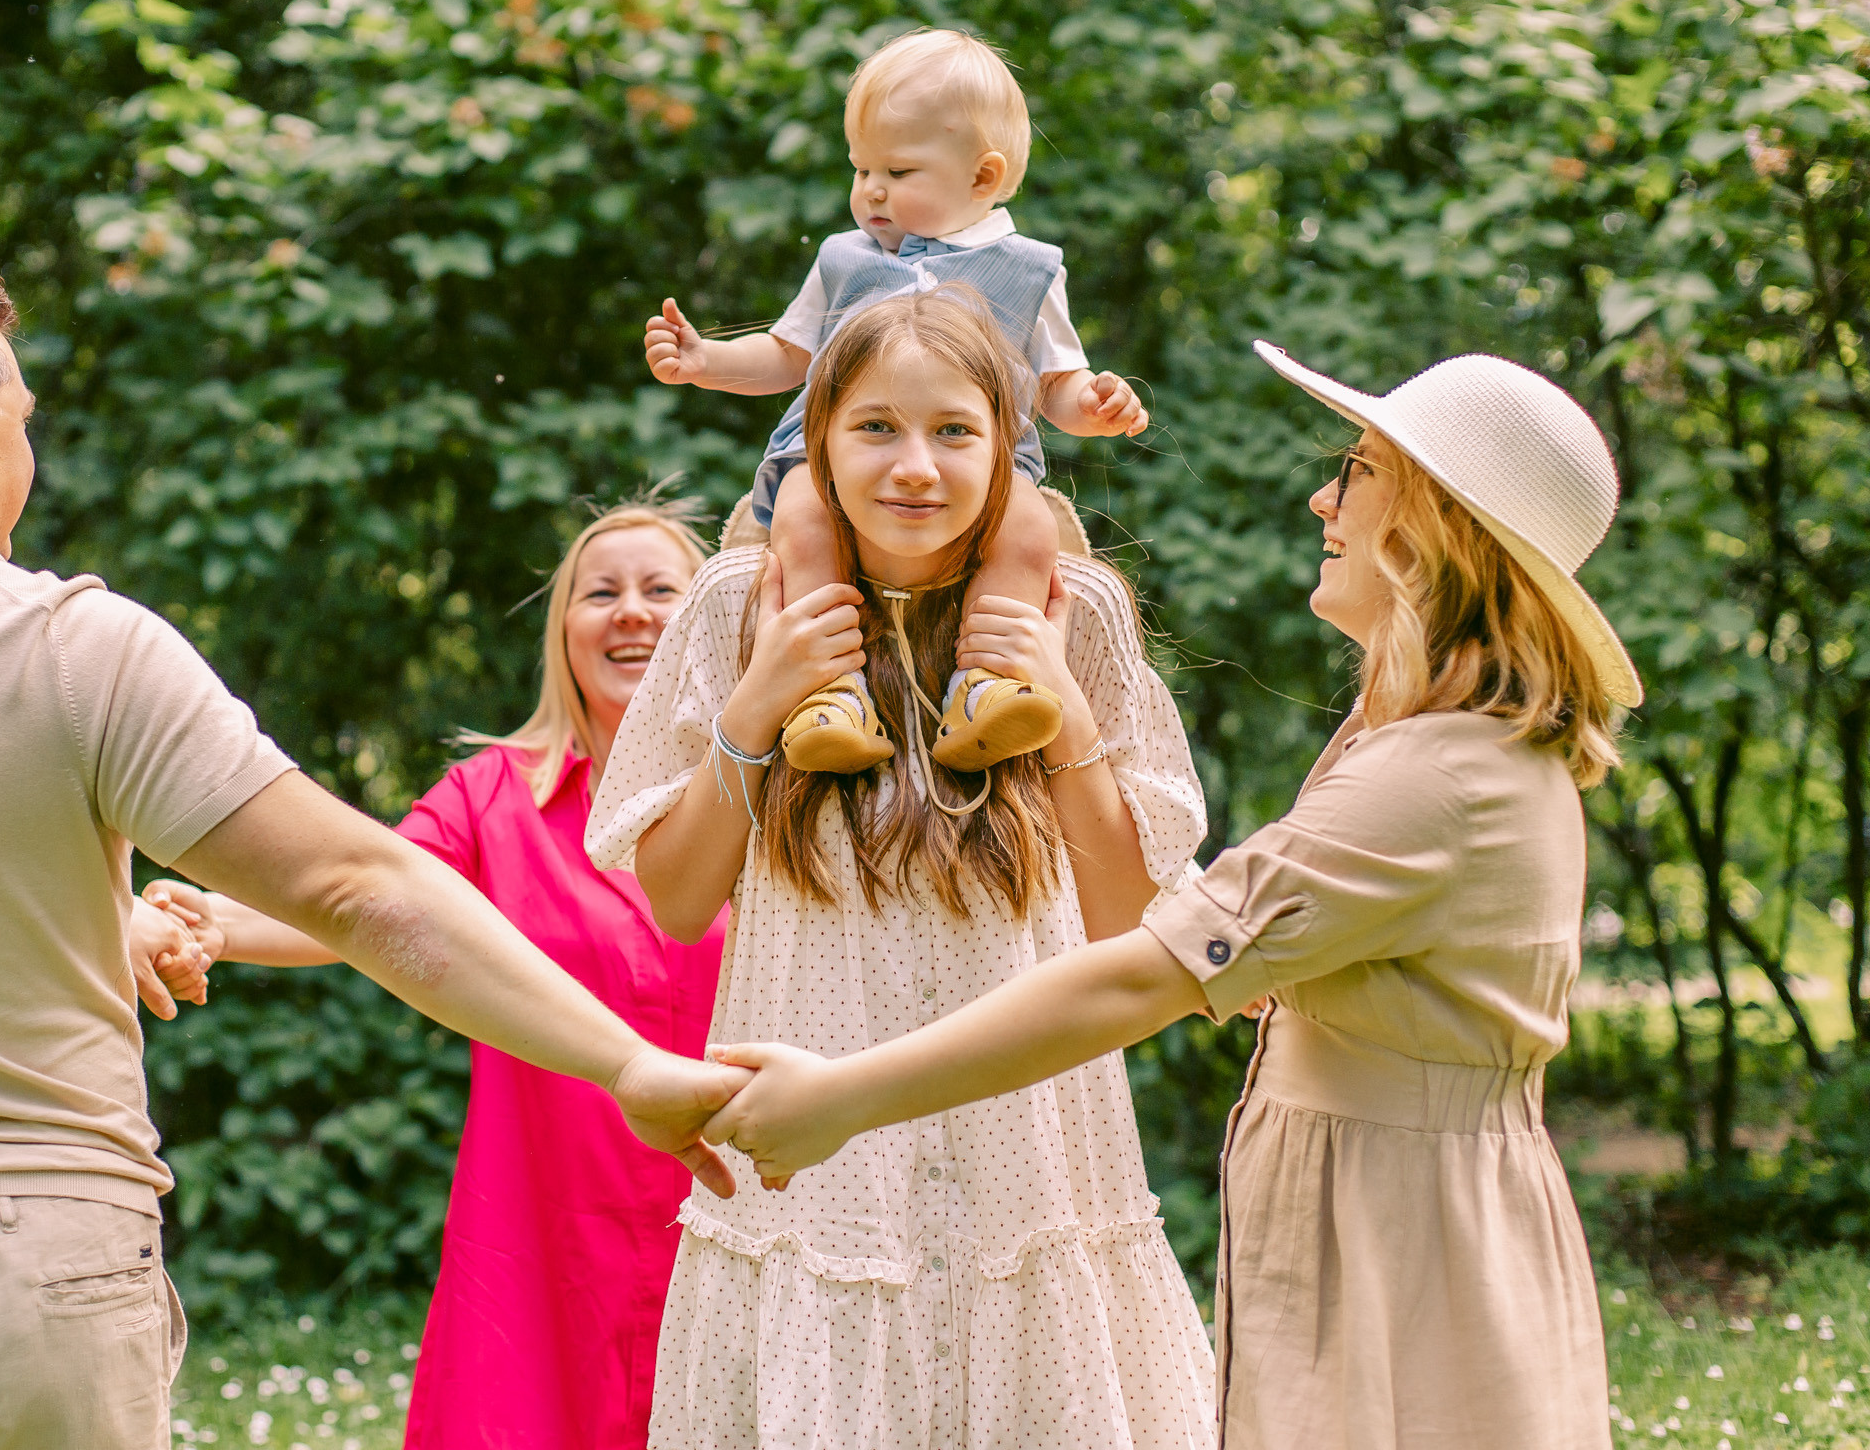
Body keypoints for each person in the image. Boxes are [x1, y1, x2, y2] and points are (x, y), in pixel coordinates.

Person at [0, 234, 748, 1450]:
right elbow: (355, 886)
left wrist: (112, 918)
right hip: (47, 1277)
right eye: (17, 420)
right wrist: (628, 1066)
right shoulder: (69, 647)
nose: (23, 454)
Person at [701, 341, 1640, 1450]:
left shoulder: (1437, 776)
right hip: (1389, 1212)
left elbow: (1136, 979)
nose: (1321, 496)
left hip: (1412, 1242)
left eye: (1358, 468)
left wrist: (845, 1096)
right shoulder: (1435, 750)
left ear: (1430, 523)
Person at [591, 288, 1217, 1448]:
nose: (915, 466)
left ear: (1006, 446)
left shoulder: (1071, 612)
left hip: (1029, 1161)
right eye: (876, 426)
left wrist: (1067, 711)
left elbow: (1129, 916)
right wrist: (758, 703)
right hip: (818, 1181)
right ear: (816, 440)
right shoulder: (741, 606)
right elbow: (676, 903)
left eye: (954, 431)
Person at [146, 498, 729, 1450]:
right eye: (601, 593)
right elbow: (359, 899)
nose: (631, 612)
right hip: (545, 1232)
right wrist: (216, 921)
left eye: (662, 590)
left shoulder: (770, 791)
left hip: (737, 1204)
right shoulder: (492, 794)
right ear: (563, 633)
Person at [642, 26, 1148, 778]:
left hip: (984, 478)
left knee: (1029, 527)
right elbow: (788, 355)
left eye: (898, 170)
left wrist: (1095, 407)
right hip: (831, 466)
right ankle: (829, 694)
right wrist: (706, 360)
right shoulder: (845, 259)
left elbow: (1056, 384)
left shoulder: (1026, 269)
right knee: (803, 515)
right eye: (861, 169)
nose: (871, 191)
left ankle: (988, 682)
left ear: (983, 178)